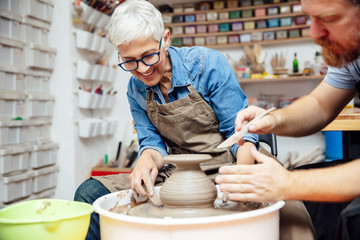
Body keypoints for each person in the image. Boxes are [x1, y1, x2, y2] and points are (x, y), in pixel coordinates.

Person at [74, 0, 260, 239]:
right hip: (176, 173)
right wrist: (144, 160)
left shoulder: (207, 65)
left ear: (166, 39)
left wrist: (240, 178)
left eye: (148, 56)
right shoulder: (136, 89)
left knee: (288, 210)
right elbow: (152, 145)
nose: (142, 70)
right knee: (89, 193)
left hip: (230, 165)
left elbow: (241, 134)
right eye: (129, 61)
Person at [215, 0, 360, 239]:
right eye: (309, 18)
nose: (314, 32)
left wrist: (289, 183)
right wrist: (273, 119)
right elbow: (321, 105)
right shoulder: (352, 53)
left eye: (329, 18)